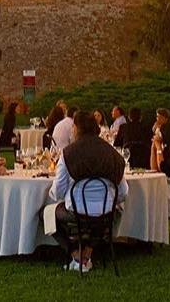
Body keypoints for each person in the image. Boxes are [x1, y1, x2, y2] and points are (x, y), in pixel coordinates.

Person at [48, 111, 128, 274]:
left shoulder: (68, 153)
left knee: (48, 214)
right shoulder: (113, 154)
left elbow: (58, 192)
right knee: (114, 215)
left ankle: (76, 254)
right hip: (105, 211)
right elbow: (123, 192)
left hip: (77, 210)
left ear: (77, 128)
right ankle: (88, 252)